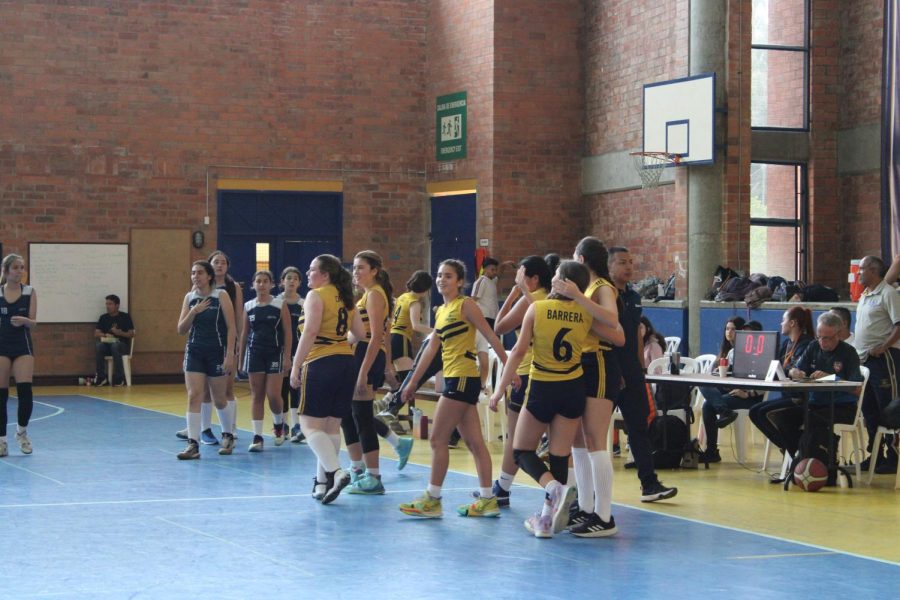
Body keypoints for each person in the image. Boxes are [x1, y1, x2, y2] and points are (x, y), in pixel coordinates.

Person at [490, 260, 617, 537]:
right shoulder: (585, 313)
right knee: (560, 456)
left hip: (543, 386)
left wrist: (499, 390)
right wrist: (581, 299)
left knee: (521, 451)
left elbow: (519, 352)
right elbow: (615, 330)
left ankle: (553, 489)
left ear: (561, 281)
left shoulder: (538, 309)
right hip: (573, 389)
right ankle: (547, 520)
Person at [399, 259, 508, 519]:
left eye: (448, 276)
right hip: (454, 378)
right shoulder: (441, 311)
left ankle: (433, 499)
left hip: (462, 378)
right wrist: (413, 381)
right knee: (474, 442)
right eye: (439, 275)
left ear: (460, 281)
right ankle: (487, 499)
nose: (441, 280)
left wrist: (508, 367)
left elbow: (491, 336)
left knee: (438, 439)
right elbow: (432, 348)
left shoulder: (466, 305)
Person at [290, 255, 364, 504]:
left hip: (320, 363)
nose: (308, 274)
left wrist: (296, 365)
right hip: (345, 362)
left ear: (325, 275)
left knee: (309, 425)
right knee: (331, 427)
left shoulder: (317, 295)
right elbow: (360, 333)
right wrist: (338, 344)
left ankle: (336, 472)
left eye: (312, 270)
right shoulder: (346, 297)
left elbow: (310, 331)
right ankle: (323, 483)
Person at [607, 247, 677, 502]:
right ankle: (582, 489)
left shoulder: (634, 297)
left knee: (639, 428)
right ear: (609, 266)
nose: (628, 267)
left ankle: (649, 484)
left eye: (631, 262)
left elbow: (637, 336)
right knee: (593, 434)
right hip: (608, 372)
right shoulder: (604, 295)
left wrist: (640, 369)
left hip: (632, 373)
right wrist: (616, 370)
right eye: (622, 262)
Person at [568, 237, 626, 537]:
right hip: (581, 362)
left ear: (580, 258)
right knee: (578, 437)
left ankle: (605, 516)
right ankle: (586, 506)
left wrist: (578, 300)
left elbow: (613, 322)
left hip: (599, 363)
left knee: (595, 438)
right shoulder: (586, 289)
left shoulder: (601, 286)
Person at [754, 313, 861, 469]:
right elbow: (795, 368)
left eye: (827, 338)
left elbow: (857, 388)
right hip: (813, 403)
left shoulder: (849, 353)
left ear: (838, 335)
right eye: (820, 337)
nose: (822, 342)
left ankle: (811, 458)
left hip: (841, 407)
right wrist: (794, 372)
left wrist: (832, 378)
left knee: (811, 420)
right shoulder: (813, 346)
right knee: (781, 418)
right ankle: (799, 454)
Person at [706, 307, 813, 463]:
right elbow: (776, 368)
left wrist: (750, 393)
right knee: (711, 398)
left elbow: (795, 370)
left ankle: (792, 449)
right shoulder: (786, 344)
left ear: (792, 323)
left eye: (783, 320)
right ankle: (789, 448)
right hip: (786, 395)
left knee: (759, 411)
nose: (780, 323)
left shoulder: (806, 344)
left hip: (798, 398)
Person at [490, 255, 554, 507]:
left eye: (521, 275)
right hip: (554, 376)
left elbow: (499, 326)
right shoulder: (554, 300)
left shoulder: (534, 301)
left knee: (517, 441)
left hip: (526, 373)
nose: (518, 279)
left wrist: (515, 292)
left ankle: (505, 487)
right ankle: (503, 486)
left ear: (533, 278)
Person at [176, 250, 244, 445]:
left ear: (209, 276)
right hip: (195, 350)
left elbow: (232, 326)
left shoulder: (221, 295)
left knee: (220, 398)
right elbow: (181, 329)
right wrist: (193, 312)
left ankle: (228, 434)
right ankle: (193, 442)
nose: (195, 276)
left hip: (217, 351)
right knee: (194, 395)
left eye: (199, 273)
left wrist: (231, 353)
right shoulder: (189, 298)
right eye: (193, 273)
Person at [343, 250, 395, 494]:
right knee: (351, 415)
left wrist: (363, 372)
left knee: (362, 417)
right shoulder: (366, 295)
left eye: (361, 267)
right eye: (354, 268)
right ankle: (360, 469)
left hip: (367, 356)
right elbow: (359, 333)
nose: (356, 272)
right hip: (360, 353)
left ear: (374, 270)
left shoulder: (374, 295)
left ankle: (373, 476)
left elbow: (375, 338)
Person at [854, 255, 900, 473]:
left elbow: (899, 325)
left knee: (888, 408)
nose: (858, 273)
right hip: (865, 361)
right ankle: (874, 454)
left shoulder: (888, 294)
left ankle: (893, 456)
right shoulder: (865, 295)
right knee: (869, 410)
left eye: (861, 269)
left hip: (884, 360)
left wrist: (884, 346)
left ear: (873, 270)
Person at [240, 270, 291, 453]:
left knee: (273, 395)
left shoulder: (279, 304)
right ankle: (257, 436)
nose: (261, 284)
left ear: (271, 284)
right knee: (257, 395)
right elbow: (244, 334)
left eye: (265, 281)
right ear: (253, 284)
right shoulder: (248, 306)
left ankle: (279, 424)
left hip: (275, 353)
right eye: (258, 281)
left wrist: (286, 358)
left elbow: (287, 332)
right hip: (254, 354)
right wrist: (241, 359)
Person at [0, 254, 37, 457]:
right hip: (2, 346)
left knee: (25, 392)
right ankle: (1, 441)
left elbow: (34, 322)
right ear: (6, 271)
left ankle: (21, 433)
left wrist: (25, 320)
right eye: (16, 267)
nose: (20, 271)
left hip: (22, 346)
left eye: (22, 267)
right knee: (1, 395)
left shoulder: (29, 292)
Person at [277, 266, 306, 443]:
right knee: (281, 389)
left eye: (295, 278)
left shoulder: (304, 304)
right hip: (279, 351)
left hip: (298, 351)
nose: (292, 281)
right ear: (282, 281)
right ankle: (283, 423)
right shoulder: (276, 302)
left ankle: (296, 425)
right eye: (288, 278)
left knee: (295, 387)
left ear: (299, 283)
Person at [94, 294, 135, 387]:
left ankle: (119, 379)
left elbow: (131, 334)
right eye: (107, 304)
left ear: (117, 305)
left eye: (110, 304)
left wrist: (119, 333)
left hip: (122, 345)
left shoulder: (125, 317)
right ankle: (102, 378)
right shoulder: (103, 317)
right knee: (99, 346)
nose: (107, 306)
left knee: (115, 346)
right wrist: (105, 335)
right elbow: (96, 333)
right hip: (107, 344)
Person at [471, 257, 499, 389]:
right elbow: (473, 299)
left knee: (493, 348)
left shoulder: (492, 281)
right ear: (485, 268)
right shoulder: (481, 281)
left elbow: (500, 274)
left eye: (495, 269)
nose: (495, 272)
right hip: (484, 318)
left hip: (493, 318)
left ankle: (491, 378)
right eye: (492, 269)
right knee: (483, 349)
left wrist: (504, 265)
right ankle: (479, 377)